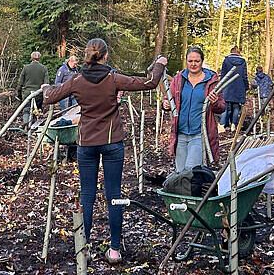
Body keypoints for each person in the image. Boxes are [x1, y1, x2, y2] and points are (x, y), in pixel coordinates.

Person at [41, 38, 166, 264]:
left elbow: (50, 97)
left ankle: (84, 249)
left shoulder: (76, 80)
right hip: (112, 143)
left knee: (87, 196)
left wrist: (45, 87)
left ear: (87, 56)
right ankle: (115, 250)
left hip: (86, 144)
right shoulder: (113, 79)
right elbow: (149, 81)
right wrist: (160, 64)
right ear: (106, 56)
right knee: (114, 196)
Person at [163, 47, 225, 173]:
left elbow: (221, 107)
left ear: (202, 61)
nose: (193, 64)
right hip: (180, 132)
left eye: (197, 61)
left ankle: (192, 192)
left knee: (191, 169)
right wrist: (166, 104)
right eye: (190, 61)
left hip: (199, 133)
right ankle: (184, 192)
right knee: (180, 171)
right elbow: (169, 97)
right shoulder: (179, 78)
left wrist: (214, 102)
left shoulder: (211, 81)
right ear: (186, 61)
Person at [219, 46, 249, 132]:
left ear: (231, 52)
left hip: (227, 87)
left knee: (226, 107)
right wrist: (246, 87)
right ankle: (233, 125)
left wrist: (221, 86)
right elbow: (244, 76)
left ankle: (222, 125)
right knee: (236, 107)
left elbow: (223, 74)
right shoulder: (243, 61)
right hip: (239, 87)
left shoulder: (226, 60)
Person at [17, 51, 48, 125]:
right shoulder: (44, 68)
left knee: (26, 110)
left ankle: (26, 126)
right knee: (37, 110)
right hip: (38, 94)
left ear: (31, 58)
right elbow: (46, 84)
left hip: (28, 93)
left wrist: (19, 94)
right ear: (39, 59)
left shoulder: (26, 68)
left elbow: (20, 83)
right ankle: (35, 127)